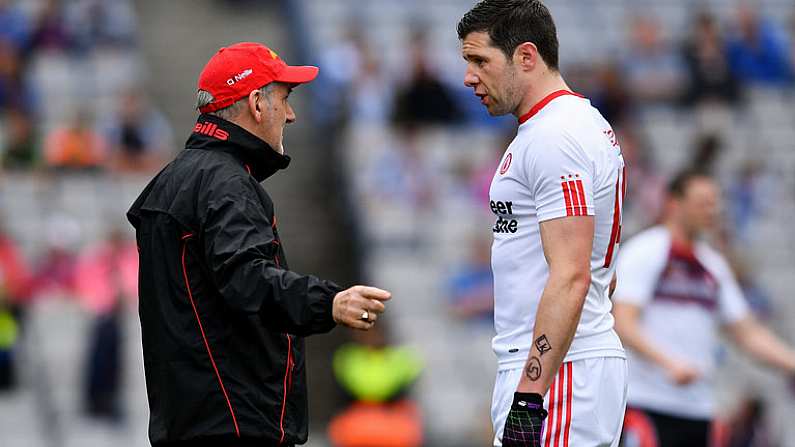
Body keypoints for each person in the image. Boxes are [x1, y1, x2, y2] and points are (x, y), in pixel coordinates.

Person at [127, 42, 392, 447]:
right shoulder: (226, 183)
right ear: (256, 103)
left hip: (189, 422)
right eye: (285, 99)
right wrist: (329, 303)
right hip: (235, 423)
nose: (291, 114)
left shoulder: (171, 181)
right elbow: (249, 281)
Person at [457, 1, 628, 446]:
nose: (469, 77)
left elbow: (573, 273)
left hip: (559, 375)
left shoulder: (556, 136)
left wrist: (531, 395)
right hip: (563, 366)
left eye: (480, 61)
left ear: (526, 56)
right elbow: (596, 271)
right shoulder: (566, 127)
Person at [613, 171, 795, 447]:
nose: (713, 210)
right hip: (647, 404)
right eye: (703, 202)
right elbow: (623, 322)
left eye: (715, 202)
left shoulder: (712, 265)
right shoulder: (645, 251)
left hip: (699, 409)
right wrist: (669, 363)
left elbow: (748, 333)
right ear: (674, 204)